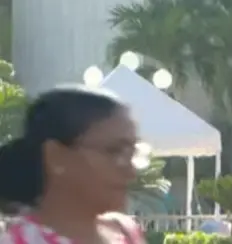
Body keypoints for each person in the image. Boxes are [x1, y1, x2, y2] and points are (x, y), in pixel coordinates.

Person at [0, 85, 148, 243]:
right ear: (56, 156)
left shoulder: (125, 232)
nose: (131, 172)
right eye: (114, 151)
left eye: (131, 153)